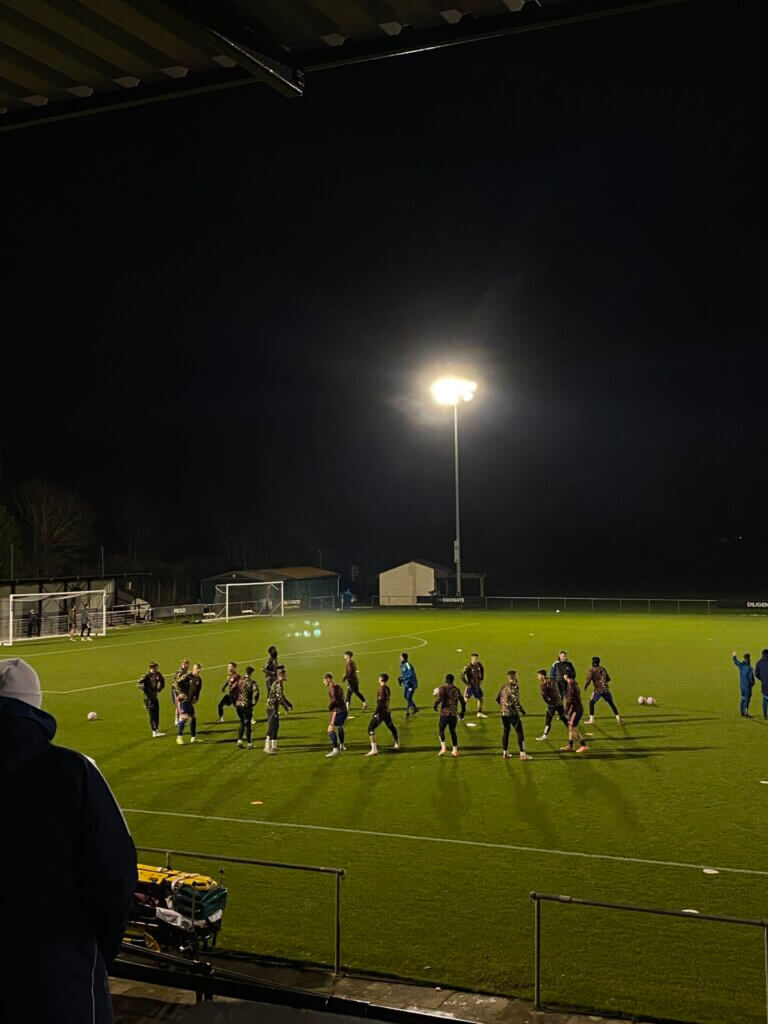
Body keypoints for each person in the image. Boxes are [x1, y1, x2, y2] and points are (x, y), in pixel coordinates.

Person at [0, 657, 137, 1024]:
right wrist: (89, 956)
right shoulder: (73, 772)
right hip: (56, 980)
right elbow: (115, 877)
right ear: (34, 708)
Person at [496, 670, 532, 761]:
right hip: (512, 713)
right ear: (514, 677)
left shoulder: (503, 686)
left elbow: (497, 698)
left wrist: (504, 707)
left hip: (503, 713)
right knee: (519, 732)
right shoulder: (514, 686)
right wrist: (522, 711)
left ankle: (505, 752)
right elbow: (516, 701)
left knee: (506, 731)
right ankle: (522, 754)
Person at [366, 673, 400, 756]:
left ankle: (374, 749)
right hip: (386, 711)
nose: (378, 679)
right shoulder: (387, 688)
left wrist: (375, 713)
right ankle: (397, 743)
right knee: (391, 726)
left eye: (379, 678)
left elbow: (380, 703)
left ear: (381, 679)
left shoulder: (381, 689)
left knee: (370, 728)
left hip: (381, 712)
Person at [434, 672, 466, 757]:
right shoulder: (456, 690)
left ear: (446, 680)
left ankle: (443, 748)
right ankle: (455, 751)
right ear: (453, 681)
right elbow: (462, 701)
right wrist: (463, 711)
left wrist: (435, 705)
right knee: (453, 731)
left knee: (441, 730)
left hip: (444, 714)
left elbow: (439, 698)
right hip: (453, 714)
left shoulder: (443, 688)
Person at [584, 656, 623, 725]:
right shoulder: (603, 669)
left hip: (598, 690)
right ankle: (618, 718)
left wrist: (585, 686)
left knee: (591, 703)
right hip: (605, 689)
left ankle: (591, 720)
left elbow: (588, 680)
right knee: (611, 704)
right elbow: (608, 679)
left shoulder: (592, 670)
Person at [535, 669, 570, 741]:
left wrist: (549, 703)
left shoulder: (543, 685)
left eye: (539, 675)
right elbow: (559, 688)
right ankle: (573, 731)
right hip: (559, 703)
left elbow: (545, 697)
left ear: (543, 676)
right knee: (563, 718)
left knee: (548, 719)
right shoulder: (552, 680)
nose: (538, 677)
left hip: (552, 705)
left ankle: (545, 735)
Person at [264, 666, 293, 753]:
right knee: (272, 726)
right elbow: (279, 697)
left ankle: (274, 746)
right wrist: (286, 707)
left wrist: (288, 703)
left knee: (276, 726)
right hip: (272, 707)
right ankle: (267, 747)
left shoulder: (278, 682)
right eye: (285, 675)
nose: (286, 676)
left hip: (273, 707)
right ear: (281, 675)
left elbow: (281, 696)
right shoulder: (278, 684)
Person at [562, 670, 588, 753]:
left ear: (566, 676)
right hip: (575, 709)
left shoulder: (571, 685)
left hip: (576, 709)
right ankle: (570, 746)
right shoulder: (574, 683)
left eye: (564, 675)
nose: (563, 676)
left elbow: (569, 700)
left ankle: (583, 745)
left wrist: (565, 711)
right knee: (571, 726)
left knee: (572, 727)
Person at [138, 661, 165, 737]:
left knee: (156, 713)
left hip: (154, 697)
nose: (155, 669)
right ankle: (154, 731)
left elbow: (162, 681)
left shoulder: (158, 674)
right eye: (153, 667)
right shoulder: (146, 676)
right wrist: (144, 688)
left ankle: (157, 729)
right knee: (152, 715)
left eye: (155, 667)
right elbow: (140, 683)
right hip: (148, 698)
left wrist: (160, 688)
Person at [230, 668, 255, 748]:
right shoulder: (251, 682)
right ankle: (249, 744)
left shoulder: (239, 680)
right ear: (251, 673)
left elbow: (232, 689)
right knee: (248, 724)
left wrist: (234, 701)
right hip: (246, 705)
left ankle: (239, 742)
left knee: (241, 722)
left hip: (238, 704)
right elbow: (255, 693)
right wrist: (253, 703)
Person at [324, 672, 348, 757]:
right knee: (340, 726)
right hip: (343, 710)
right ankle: (342, 745)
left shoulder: (332, 688)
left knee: (330, 730)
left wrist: (330, 707)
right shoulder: (338, 686)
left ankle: (335, 750)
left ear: (328, 679)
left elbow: (334, 700)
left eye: (324, 680)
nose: (324, 682)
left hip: (338, 711)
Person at [175, 669, 199, 744]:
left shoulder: (198, 679)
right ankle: (179, 737)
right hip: (183, 701)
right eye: (197, 669)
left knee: (193, 718)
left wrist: (195, 698)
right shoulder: (186, 677)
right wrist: (180, 693)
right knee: (184, 718)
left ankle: (193, 737)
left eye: (199, 669)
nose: (198, 670)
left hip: (189, 701)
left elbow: (197, 689)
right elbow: (176, 684)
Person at [461, 652, 487, 717]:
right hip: (471, 686)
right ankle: (462, 713)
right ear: (472, 658)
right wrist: (466, 683)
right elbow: (461, 675)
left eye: (477, 658)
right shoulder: (468, 667)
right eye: (475, 658)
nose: (477, 660)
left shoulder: (479, 664)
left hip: (477, 685)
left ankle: (479, 712)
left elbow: (482, 670)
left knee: (480, 698)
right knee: (466, 699)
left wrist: (481, 679)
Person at [732, 651, 755, 718]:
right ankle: (745, 713)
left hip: (742, 686)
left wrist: (734, 656)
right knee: (747, 700)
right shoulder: (749, 669)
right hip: (748, 687)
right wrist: (753, 683)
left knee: (742, 698)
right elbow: (751, 679)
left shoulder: (741, 665)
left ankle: (742, 712)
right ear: (749, 658)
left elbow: (735, 662)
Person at [398, 652, 419, 717]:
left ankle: (407, 712)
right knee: (405, 696)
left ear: (404, 658)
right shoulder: (402, 665)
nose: (400, 659)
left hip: (411, 684)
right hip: (407, 683)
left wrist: (403, 678)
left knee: (409, 697)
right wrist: (401, 680)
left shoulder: (408, 665)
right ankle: (415, 708)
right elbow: (405, 674)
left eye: (401, 658)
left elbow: (411, 674)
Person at [755, 649, 768, 720]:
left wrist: (762, 679)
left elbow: (756, 674)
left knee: (765, 700)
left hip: (764, 685)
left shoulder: (759, 663)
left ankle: (765, 715)